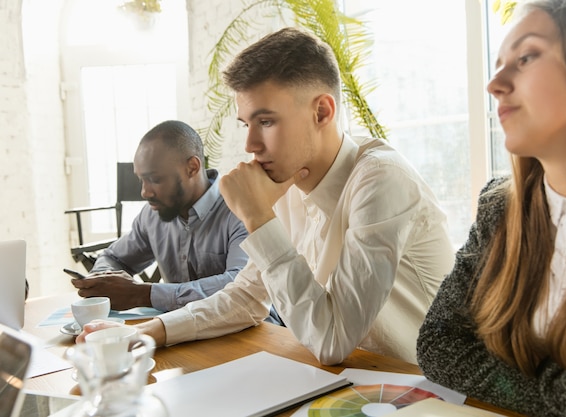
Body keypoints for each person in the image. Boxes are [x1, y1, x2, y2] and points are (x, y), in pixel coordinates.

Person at [78, 27, 455, 365]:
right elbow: (246, 297)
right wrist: (151, 331)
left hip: (428, 391)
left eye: (267, 121)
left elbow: (332, 340)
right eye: (247, 124)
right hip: (351, 383)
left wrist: (258, 217)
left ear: (322, 112)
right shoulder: (287, 184)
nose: (251, 144)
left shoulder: (380, 179)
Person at [416, 1, 566, 416]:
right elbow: (437, 343)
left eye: (526, 57)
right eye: (497, 64)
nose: (494, 83)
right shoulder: (499, 208)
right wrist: (563, 392)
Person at [71, 120, 249, 312]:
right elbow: (114, 257)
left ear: (192, 167)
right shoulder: (152, 215)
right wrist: (103, 280)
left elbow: (241, 285)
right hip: (179, 333)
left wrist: (141, 294)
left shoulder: (242, 209)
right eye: (141, 180)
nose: (144, 192)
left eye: (154, 179)